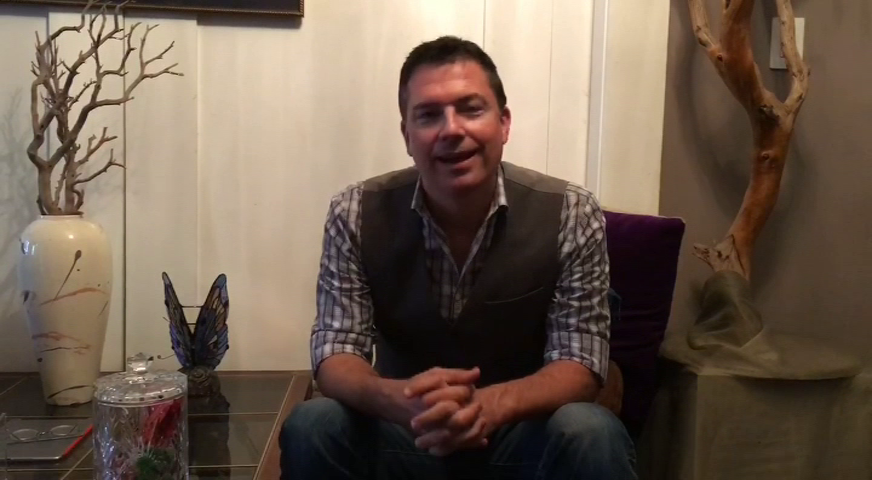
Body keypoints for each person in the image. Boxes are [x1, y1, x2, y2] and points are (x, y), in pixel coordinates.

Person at [279, 35, 637, 480]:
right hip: (406, 435)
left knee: (590, 430)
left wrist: (488, 406)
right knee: (314, 424)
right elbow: (335, 353)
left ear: (504, 124)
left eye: (471, 109)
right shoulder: (354, 212)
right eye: (429, 115)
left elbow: (581, 364)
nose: (451, 129)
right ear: (407, 136)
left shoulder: (572, 212)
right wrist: (398, 399)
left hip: (521, 442)